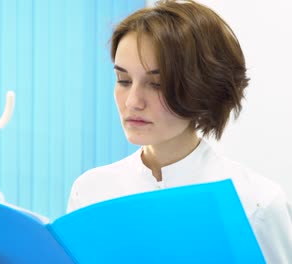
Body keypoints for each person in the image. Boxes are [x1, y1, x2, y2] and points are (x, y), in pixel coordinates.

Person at [66, 0, 292, 262]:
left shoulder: (256, 203)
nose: (132, 102)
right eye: (123, 80)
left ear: (203, 88)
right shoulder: (91, 192)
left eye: (156, 84)